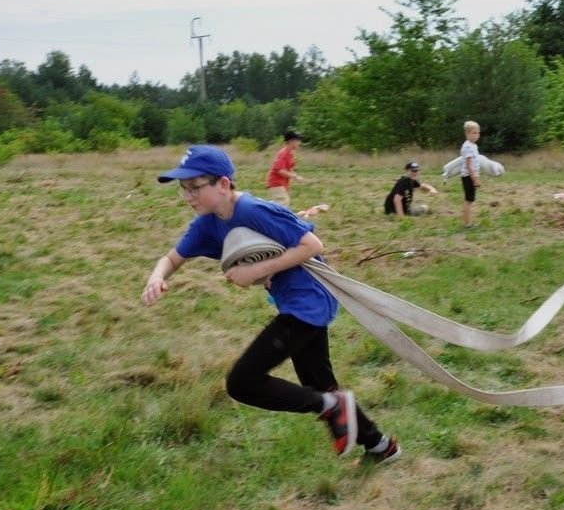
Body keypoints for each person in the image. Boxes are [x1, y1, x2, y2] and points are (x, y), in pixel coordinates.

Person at [142, 145, 400, 464]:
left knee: (243, 382)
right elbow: (172, 258)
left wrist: (255, 271)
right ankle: (380, 446)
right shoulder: (207, 222)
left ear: (223, 184)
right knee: (319, 384)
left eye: (195, 186)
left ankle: (331, 407)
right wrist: (157, 276)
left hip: (308, 301)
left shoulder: (252, 210)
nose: (188, 196)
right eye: (184, 188)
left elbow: (311, 245)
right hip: (292, 300)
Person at [266, 130, 306, 207]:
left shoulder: (290, 154)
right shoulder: (284, 153)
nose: (300, 143)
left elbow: (289, 170)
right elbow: (280, 171)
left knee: (282, 205)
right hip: (276, 184)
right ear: (291, 141)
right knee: (282, 205)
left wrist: (296, 176)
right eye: (298, 140)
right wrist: (295, 176)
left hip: (281, 185)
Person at [459, 121, 481, 228]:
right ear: (467, 133)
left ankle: (468, 222)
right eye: (474, 133)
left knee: (470, 200)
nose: (476, 135)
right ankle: (467, 224)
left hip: (470, 176)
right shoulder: (467, 146)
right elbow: (469, 165)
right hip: (468, 177)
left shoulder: (473, 145)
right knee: (468, 200)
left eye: (478, 133)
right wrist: (475, 179)